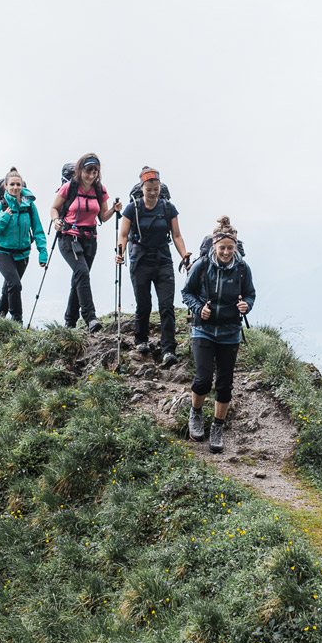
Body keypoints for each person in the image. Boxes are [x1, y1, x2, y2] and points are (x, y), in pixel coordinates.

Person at [182, 216, 255, 453]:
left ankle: (218, 427)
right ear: (214, 246)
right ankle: (195, 414)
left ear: (235, 247)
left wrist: (247, 306)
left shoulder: (243, 269)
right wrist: (197, 309)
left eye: (230, 248)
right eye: (222, 247)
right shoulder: (202, 266)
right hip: (203, 330)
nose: (226, 252)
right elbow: (187, 293)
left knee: (224, 385)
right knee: (203, 379)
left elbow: (250, 294)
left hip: (230, 332)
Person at [115, 167, 190, 366]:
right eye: (149, 189)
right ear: (142, 188)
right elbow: (123, 235)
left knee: (166, 306)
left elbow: (176, 236)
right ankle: (141, 341)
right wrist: (120, 253)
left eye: (156, 189)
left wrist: (185, 256)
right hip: (140, 261)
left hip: (163, 261)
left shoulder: (168, 208)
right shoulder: (133, 208)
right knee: (144, 304)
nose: (153, 193)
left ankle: (168, 350)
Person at [50, 153, 122, 333]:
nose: (91, 176)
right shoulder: (69, 188)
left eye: (95, 172)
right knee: (82, 272)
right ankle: (90, 318)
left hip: (90, 239)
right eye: (88, 171)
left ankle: (69, 322)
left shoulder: (100, 190)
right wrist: (56, 221)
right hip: (69, 237)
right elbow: (54, 208)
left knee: (79, 277)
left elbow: (102, 217)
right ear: (81, 170)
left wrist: (113, 209)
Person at [0, 167, 48, 324]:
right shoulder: (0, 207)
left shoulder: (29, 206)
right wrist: (5, 217)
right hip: (2, 252)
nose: (15, 188)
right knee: (14, 284)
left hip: (23, 253)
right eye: (12, 184)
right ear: (6, 186)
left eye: (18, 185)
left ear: (22, 186)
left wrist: (43, 253)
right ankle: (17, 322)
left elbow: (38, 230)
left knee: (9, 288)